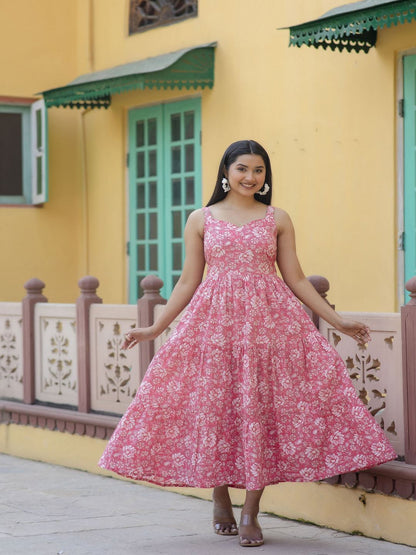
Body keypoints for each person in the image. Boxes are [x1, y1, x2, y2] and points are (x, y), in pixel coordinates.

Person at [99, 139, 396, 548]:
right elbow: (188, 281)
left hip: (269, 325)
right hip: (214, 326)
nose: (250, 177)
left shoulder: (278, 218)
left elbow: (294, 278)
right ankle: (220, 497)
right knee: (215, 406)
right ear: (226, 171)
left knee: (261, 408)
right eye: (242, 169)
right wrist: (154, 328)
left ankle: (251, 511)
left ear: (265, 176)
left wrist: (337, 320)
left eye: (258, 170)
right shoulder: (201, 218)